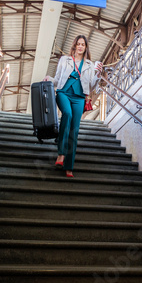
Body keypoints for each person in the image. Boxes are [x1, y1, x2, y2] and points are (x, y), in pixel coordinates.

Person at [44, 35, 103, 177]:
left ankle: (69, 166)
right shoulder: (65, 60)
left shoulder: (89, 64)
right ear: (75, 46)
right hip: (64, 93)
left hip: (79, 98)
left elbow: (91, 86)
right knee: (67, 114)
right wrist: (49, 79)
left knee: (74, 131)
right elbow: (58, 79)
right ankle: (61, 154)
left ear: (85, 47)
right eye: (78, 44)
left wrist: (98, 74)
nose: (81, 47)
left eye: (83, 44)